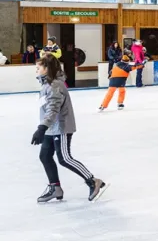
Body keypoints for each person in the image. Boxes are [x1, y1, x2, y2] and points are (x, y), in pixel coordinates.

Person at [32, 54, 107, 203]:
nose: (36, 70)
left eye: (38, 67)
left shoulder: (54, 85)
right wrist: (44, 127)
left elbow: (53, 109)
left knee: (65, 158)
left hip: (60, 127)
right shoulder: (46, 85)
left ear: (47, 68)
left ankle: (93, 181)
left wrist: (41, 127)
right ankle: (55, 187)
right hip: (50, 128)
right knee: (45, 156)